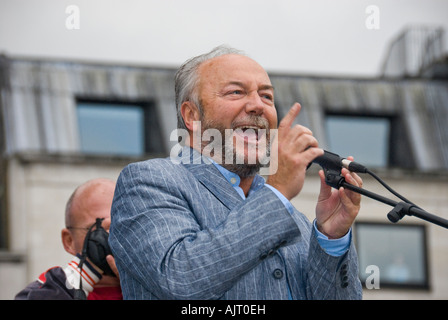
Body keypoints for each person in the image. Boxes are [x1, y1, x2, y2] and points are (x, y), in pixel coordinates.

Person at [109, 45, 363, 299]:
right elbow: (180, 279)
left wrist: (331, 238)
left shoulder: (295, 218)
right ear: (192, 115)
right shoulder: (148, 182)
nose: (257, 106)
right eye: (235, 92)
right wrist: (278, 192)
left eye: (266, 96)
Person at [15, 178, 122, 300]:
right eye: (98, 230)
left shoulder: (146, 285)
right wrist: (78, 277)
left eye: (119, 227)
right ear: (69, 241)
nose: (111, 238)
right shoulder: (51, 289)